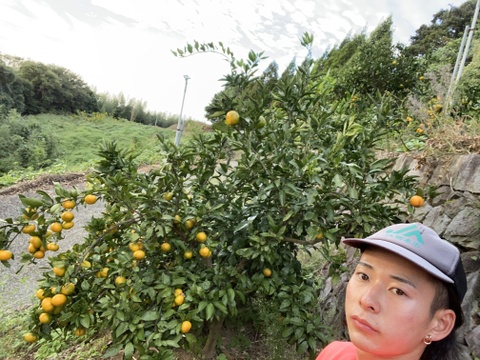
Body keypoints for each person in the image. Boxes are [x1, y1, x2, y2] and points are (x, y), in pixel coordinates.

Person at [316, 222, 467, 360]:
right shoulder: (334, 354)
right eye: (364, 276)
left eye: (398, 291)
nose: (367, 300)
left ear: (439, 324)